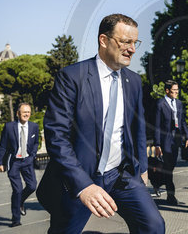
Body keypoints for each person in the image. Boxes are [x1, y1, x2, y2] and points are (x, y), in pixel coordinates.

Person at [37, 13, 164, 234]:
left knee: (153, 226)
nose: (132, 49)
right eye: (125, 42)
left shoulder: (133, 81)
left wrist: (142, 167)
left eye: (135, 43)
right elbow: (57, 137)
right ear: (104, 40)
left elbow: (138, 128)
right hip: (80, 175)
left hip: (120, 175)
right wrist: (83, 186)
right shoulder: (72, 77)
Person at [0, 103, 39, 227]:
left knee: (32, 186)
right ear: (18, 113)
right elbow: (3, 145)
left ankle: (20, 202)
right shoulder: (9, 127)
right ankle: (16, 219)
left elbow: (36, 142)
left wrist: (33, 154)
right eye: (24, 112)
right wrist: (0, 162)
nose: (26, 114)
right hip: (13, 162)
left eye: (28, 112)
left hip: (27, 161)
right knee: (17, 190)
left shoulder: (34, 126)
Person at [154, 80, 188, 205]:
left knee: (171, 166)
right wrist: (157, 144)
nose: (176, 93)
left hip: (176, 139)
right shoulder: (160, 104)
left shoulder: (179, 104)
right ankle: (171, 196)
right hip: (165, 140)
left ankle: (157, 182)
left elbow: (182, 122)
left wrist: (187, 137)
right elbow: (157, 126)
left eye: (177, 90)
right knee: (169, 169)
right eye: (174, 91)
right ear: (167, 91)